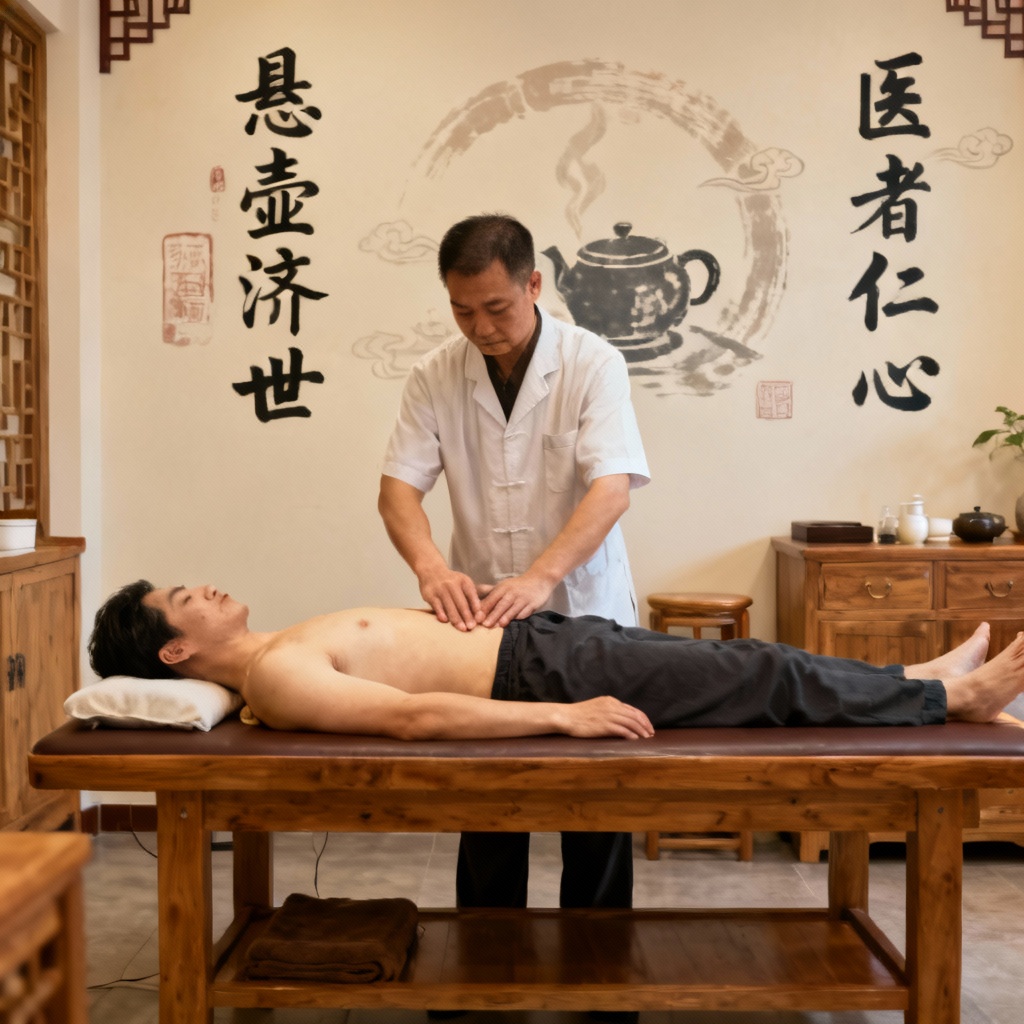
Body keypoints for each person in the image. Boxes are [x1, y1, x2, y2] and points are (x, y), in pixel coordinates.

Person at [377, 214, 650, 918]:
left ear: (533, 285)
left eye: (496, 307)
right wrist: (432, 570)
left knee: (594, 806)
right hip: (484, 622)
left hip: (583, 608)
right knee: (489, 795)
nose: (481, 327)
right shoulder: (435, 374)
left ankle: (596, 963)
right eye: (463, 310)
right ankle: (486, 953)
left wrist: (541, 577)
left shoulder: (592, 362)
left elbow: (611, 488)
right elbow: (398, 491)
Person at [88, 582, 1024, 743]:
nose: (203, 587)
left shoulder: (279, 648)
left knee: (753, 659)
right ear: (176, 650)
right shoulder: (277, 677)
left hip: (543, 643)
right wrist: (562, 716)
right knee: (762, 679)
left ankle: (921, 683)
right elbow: (414, 718)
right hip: (542, 679)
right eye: (182, 598)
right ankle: (956, 700)